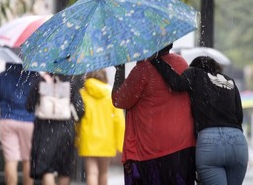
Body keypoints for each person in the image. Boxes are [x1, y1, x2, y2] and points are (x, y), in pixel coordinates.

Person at [151, 54, 249, 185]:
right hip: (237, 142)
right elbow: (239, 116)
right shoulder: (230, 81)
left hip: (210, 141)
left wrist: (156, 60)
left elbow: (176, 82)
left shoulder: (195, 73)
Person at [112, 44, 196, 185]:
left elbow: (119, 100)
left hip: (152, 150)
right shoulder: (181, 63)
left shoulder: (143, 70)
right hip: (183, 147)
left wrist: (120, 70)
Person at [26, 72, 84, 185]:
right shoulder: (69, 82)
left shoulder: (40, 81)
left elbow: (29, 106)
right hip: (65, 129)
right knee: (64, 169)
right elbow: (80, 110)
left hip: (44, 129)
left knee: (46, 168)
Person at [75, 69, 125, 185]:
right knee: (104, 173)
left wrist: (77, 138)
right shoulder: (111, 93)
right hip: (107, 139)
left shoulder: (82, 93)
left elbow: (78, 118)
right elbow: (119, 120)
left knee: (91, 173)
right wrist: (120, 143)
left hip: (87, 138)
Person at [0, 63, 39, 185]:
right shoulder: (33, 76)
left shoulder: (1, 77)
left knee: (10, 160)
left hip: (7, 120)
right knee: (28, 160)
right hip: (28, 120)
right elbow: (38, 101)